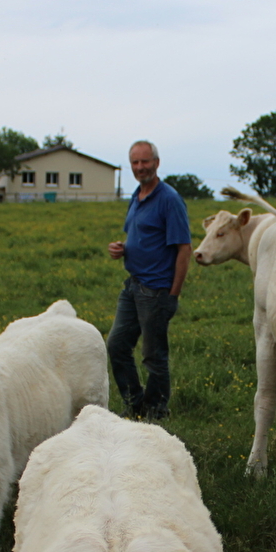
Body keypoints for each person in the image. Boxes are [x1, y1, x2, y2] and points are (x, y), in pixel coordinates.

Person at [106, 140, 192, 420]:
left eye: (145, 161)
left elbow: (184, 249)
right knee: (117, 345)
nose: (140, 167)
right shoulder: (136, 196)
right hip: (133, 286)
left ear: (156, 163)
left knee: (154, 355)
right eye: (135, 162)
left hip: (156, 290)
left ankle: (156, 411)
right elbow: (140, 236)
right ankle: (135, 403)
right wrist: (122, 248)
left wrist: (172, 295)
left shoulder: (169, 199)